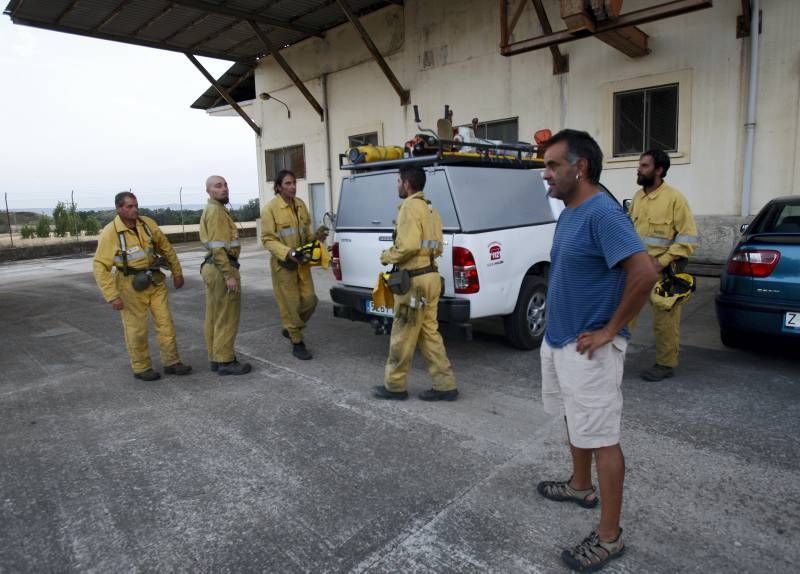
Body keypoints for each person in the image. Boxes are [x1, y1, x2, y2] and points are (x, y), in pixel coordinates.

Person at [537, 130, 658, 572]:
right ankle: (579, 485)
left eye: (552, 164)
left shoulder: (603, 213)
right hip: (562, 340)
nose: (545, 173)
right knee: (576, 416)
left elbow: (644, 272)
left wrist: (611, 330)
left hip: (590, 348)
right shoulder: (570, 212)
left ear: (580, 167)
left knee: (603, 435)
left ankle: (610, 537)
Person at [373, 166, 458, 402]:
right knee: (430, 333)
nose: (397, 184)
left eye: (398, 180)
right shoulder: (430, 209)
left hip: (415, 284)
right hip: (431, 277)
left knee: (402, 333)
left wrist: (387, 256)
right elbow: (438, 247)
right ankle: (445, 385)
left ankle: (394, 386)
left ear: (407, 183)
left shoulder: (410, 207)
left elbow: (408, 246)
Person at [93, 192, 192, 381]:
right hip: (129, 285)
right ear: (119, 208)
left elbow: (166, 248)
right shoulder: (111, 233)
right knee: (136, 329)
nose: (135, 210)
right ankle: (141, 367)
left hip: (154, 279)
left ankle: (172, 362)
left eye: (136, 205)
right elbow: (100, 266)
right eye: (129, 207)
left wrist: (177, 272)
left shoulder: (147, 224)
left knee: (166, 323)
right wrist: (112, 295)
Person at [629, 149, 699, 381]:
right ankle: (612, 358)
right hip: (636, 271)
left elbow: (688, 238)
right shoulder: (638, 198)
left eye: (644, 166)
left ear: (659, 170)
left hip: (663, 273)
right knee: (624, 314)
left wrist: (661, 263)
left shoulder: (675, 199)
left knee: (665, 322)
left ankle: (665, 365)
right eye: (640, 165)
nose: (639, 169)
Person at [260, 170, 327, 360]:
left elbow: (306, 236)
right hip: (283, 265)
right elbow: (267, 240)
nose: (293, 187)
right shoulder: (270, 209)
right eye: (288, 183)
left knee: (310, 300)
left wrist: (317, 237)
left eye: (294, 183)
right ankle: (297, 342)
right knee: (291, 305)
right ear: (279, 187)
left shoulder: (300, 205)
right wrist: (288, 252)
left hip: (302, 263)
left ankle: (291, 328)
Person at [200, 175, 251, 376]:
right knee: (227, 316)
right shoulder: (216, 212)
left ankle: (216, 357)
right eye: (218, 186)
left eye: (226, 184)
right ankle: (225, 360)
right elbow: (218, 248)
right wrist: (229, 275)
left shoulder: (216, 210)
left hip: (214, 269)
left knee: (214, 315)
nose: (224, 189)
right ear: (209, 191)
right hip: (222, 269)